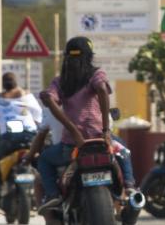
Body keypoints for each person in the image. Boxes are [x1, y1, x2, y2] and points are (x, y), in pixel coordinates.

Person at [37, 37, 116, 210]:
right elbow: (102, 89)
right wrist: (106, 130)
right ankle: (130, 191)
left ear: (66, 57)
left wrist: (73, 131)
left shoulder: (60, 82)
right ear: (89, 56)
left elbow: (49, 99)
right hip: (101, 141)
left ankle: (53, 195)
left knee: (44, 160)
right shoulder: (97, 75)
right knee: (123, 155)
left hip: (72, 147)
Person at [0, 73, 43, 188]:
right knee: (43, 156)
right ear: (16, 82)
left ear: (3, 85)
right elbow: (39, 118)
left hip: (7, 140)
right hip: (30, 137)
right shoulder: (27, 96)